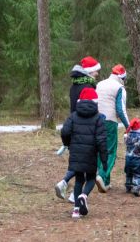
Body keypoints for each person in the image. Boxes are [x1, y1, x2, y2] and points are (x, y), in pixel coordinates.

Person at [55, 56, 101, 202]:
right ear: (89, 72)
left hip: (75, 125)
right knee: (85, 161)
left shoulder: (74, 86)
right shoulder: (87, 87)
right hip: (86, 126)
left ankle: (70, 190)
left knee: (79, 160)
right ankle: (67, 186)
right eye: (95, 71)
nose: (97, 74)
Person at [60, 87, 108, 219]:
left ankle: (76, 210)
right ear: (95, 102)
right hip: (91, 154)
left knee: (79, 180)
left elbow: (65, 132)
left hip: (75, 152)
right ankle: (84, 195)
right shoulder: (98, 119)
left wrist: (67, 143)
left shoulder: (73, 116)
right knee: (91, 178)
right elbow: (102, 141)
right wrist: (104, 160)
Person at [95, 64, 130, 191]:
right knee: (110, 151)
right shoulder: (120, 87)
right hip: (109, 121)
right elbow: (121, 110)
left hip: (96, 120)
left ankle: (106, 181)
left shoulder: (100, 84)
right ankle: (101, 175)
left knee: (100, 150)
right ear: (122, 77)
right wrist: (129, 127)